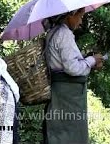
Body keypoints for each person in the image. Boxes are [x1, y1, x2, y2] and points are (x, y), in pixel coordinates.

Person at [42, 8, 104, 144]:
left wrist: (88, 61)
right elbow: (72, 68)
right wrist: (92, 60)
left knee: (58, 131)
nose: (81, 21)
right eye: (80, 16)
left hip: (61, 92)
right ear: (71, 15)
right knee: (69, 135)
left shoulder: (53, 32)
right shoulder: (64, 34)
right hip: (68, 96)